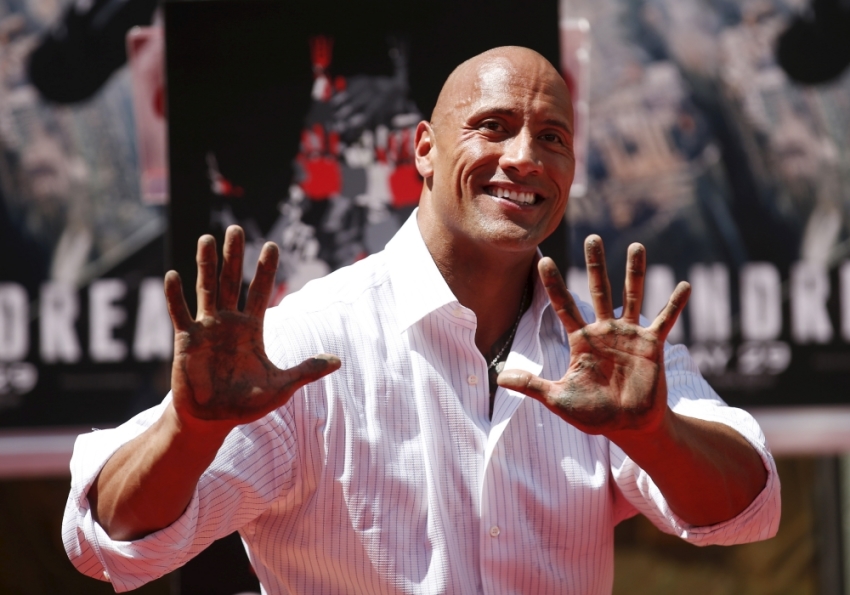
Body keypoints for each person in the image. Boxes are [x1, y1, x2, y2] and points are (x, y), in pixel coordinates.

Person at [62, 46, 780, 594]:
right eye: (492, 127)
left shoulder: (602, 351)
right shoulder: (312, 341)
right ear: (425, 151)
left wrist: (654, 431)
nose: (524, 157)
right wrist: (190, 431)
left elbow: (747, 507)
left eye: (553, 137)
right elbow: (112, 539)